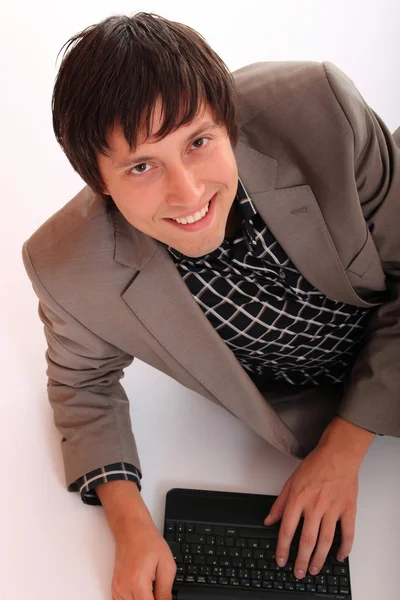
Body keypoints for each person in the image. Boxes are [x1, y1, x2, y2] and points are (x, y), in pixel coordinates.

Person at [22, 10, 400, 600]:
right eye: (142, 166)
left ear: (228, 122)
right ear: (99, 184)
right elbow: (81, 385)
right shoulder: (66, 265)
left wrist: (344, 447)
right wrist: (129, 521)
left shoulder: (322, 109)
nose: (189, 192)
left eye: (198, 143)